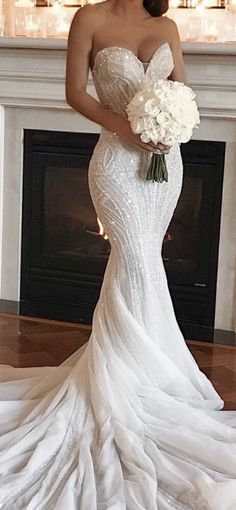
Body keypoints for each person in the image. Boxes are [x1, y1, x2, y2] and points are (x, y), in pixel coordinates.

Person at [0, 1, 236, 508]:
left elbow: (182, 90)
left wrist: (170, 126)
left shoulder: (167, 25)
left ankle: (146, 372)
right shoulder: (88, 18)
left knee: (144, 263)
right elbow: (74, 93)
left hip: (165, 162)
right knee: (135, 261)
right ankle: (133, 377)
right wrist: (126, 127)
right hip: (115, 156)